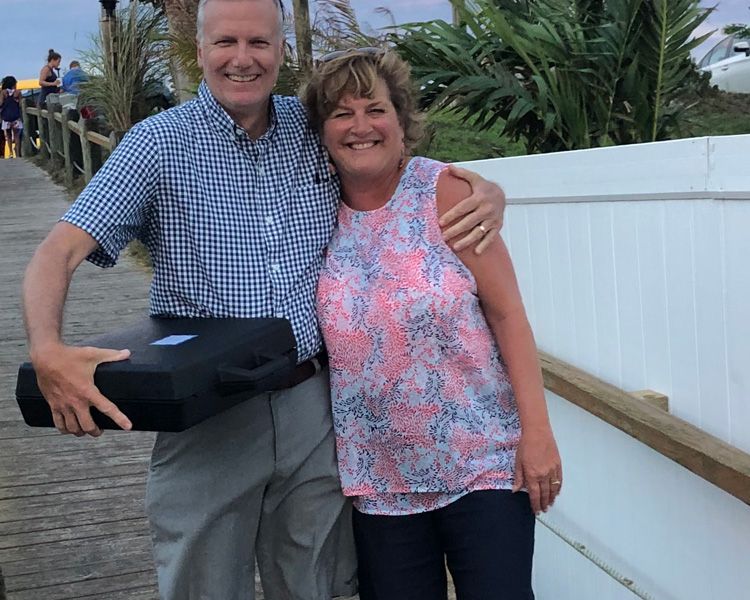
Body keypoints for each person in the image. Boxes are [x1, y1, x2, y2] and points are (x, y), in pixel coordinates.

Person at [21, 1, 506, 598]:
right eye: (226, 42)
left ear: (282, 52)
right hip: (211, 413)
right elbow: (57, 253)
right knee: (203, 584)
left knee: (318, 583)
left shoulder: (314, 127)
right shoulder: (157, 144)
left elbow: (391, 162)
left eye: (259, 43)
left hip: (316, 409)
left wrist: (484, 187)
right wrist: (47, 350)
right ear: (200, 51)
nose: (243, 59)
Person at [301, 49, 562, 600]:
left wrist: (536, 434)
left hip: (482, 463)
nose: (360, 126)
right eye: (341, 113)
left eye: (375, 108)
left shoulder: (448, 195)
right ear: (321, 130)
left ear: (401, 119)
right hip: (378, 479)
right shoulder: (313, 209)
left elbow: (508, 313)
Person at [1, 76, 23, 158]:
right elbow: (21, 104)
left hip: (6, 117)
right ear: (13, 84)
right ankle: (17, 153)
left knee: (9, 135)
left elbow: (0, 103)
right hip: (16, 117)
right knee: (16, 135)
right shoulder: (18, 92)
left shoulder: (3, 92)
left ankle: (10, 152)